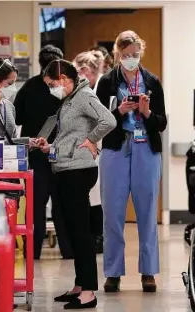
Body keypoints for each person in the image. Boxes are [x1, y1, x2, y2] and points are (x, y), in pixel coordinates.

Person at [39, 59, 116, 309]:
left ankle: (89, 292)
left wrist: (92, 140)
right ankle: (80, 285)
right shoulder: (69, 100)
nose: (51, 89)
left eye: (52, 84)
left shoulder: (83, 97)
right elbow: (70, 134)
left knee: (81, 233)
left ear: (63, 79)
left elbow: (109, 120)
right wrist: (51, 147)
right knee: (73, 231)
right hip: (65, 167)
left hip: (78, 170)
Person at [96, 30, 167, 293]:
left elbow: (161, 123)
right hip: (116, 148)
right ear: (117, 54)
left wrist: (147, 112)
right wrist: (119, 112)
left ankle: (148, 271)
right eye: (125, 55)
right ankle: (113, 272)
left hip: (146, 149)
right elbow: (97, 122)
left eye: (135, 55)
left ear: (141, 52)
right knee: (113, 213)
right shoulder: (106, 83)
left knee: (147, 211)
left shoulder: (152, 81)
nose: (130, 59)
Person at [13, 45, 72, 260]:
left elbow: (17, 118)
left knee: (36, 206)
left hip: (36, 155)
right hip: (62, 154)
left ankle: (33, 251)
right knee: (62, 204)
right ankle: (68, 250)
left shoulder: (28, 87)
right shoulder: (67, 88)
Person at [73, 51, 106, 254]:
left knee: (97, 195)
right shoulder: (90, 89)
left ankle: (98, 236)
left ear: (86, 71)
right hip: (92, 145)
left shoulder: (97, 89)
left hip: (99, 145)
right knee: (94, 194)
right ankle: (95, 235)